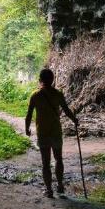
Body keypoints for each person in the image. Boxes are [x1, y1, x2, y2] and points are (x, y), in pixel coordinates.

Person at [25, 68, 78, 198]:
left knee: (45, 162)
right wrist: (75, 120)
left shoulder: (35, 95)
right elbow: (66, 110)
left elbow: (29, 114)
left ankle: (49, 190)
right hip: (56, 132)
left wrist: (27, 128)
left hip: (43, 133)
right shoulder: (58, 94)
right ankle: (60, 185)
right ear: (53, 79)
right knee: (58, 159)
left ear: (40, 80)